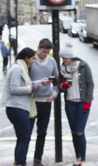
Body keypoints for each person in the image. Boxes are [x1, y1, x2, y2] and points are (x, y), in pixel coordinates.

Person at [1, 47, 51, 166]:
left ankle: (18, 162)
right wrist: (31, 89)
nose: (34, 61)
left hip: (18, 108)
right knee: (25, 138)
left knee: (21, 138)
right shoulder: (18, 69)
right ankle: (20, 163)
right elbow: (14, 89)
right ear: (26, 58)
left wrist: (39, 82)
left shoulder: (21, 68)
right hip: (16, 108)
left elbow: (25, 83)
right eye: (33, 58)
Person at [59, 42, 94, 166]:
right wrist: (63, 86)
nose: (63, 60)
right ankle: (77, 158)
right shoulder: (62, 69)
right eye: (62, 58)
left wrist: (88, 101)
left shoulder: (83, 66)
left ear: (71, 57)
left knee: (80, 131)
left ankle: (83, 160)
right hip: (70, 104)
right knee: (74, 132)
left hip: (82, 104)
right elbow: (59, 86)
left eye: (65, 58)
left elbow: (90, 84)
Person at [29, 38, 59, 166]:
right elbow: (24, 82)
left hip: (46, 102)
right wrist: (39, 82)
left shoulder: (52, 61)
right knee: (27, 132)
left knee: (42, 132)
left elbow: (57, 81)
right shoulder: (31, 61)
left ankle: (37, 160)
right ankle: (21, 159)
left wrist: (54, 94)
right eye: (44, 51)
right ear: (38, 48)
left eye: (47, 52)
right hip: (32, 102)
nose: (45, 54)